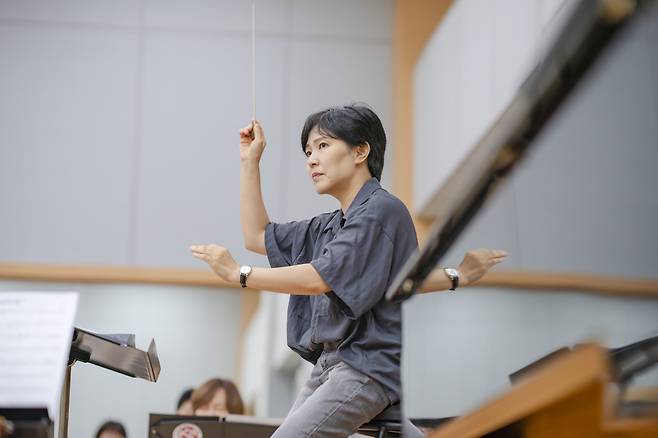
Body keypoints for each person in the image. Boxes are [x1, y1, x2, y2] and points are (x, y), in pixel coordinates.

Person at [190, 103, 507, 437]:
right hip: (333, 365)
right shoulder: (329, 226)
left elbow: (318, 279)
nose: (311, 159)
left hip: (366, 367)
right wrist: (249, 162)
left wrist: (239, 274)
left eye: (323, 146)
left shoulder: (382, 210)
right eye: (308, 151)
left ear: (360, 151)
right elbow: (257, 236)